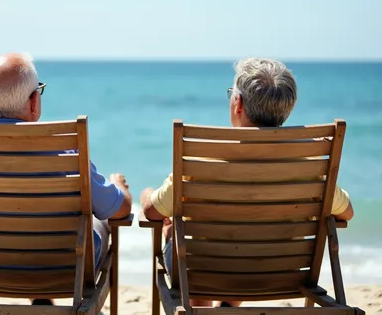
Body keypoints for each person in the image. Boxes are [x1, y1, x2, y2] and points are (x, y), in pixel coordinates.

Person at [0, 52, 132, 305]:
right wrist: (118, 186)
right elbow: (119, 211)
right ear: (33, 102)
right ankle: (42, 293)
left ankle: (40, 299)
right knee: (99, 222)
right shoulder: (65, 151)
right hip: (64, 272)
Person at [140, 57, 353, 308]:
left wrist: (147, 194)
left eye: (232, 93)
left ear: (237, 103)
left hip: (205, 272)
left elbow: (152, 212)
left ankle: (202, 308)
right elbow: (346, 212)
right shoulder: (314, 164)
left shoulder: (201, 157)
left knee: (179, 238)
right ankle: (228, 307)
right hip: (280, 272)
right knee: (248, 247)